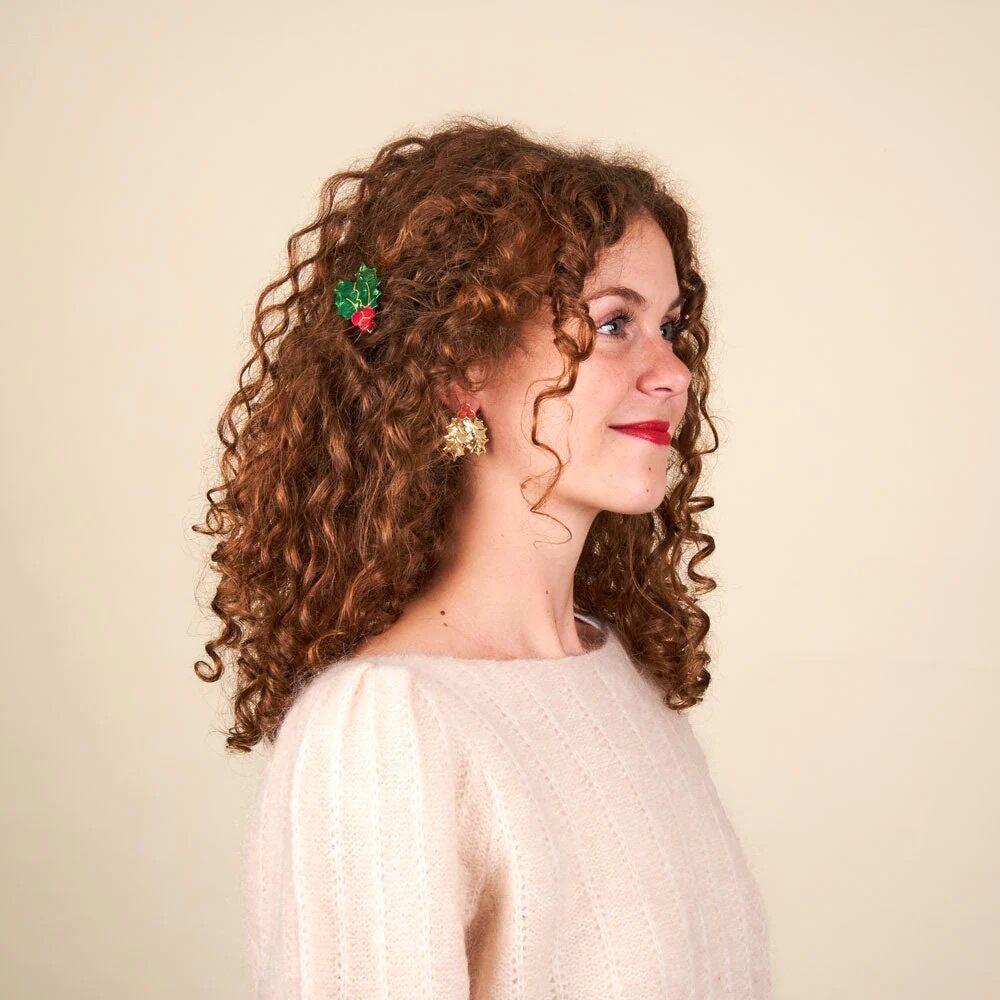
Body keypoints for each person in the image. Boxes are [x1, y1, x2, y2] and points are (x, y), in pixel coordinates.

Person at [193, 115, 773, 998]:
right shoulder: (384, 726)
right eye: (615, 322)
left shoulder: (624, 678)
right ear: (463, 372)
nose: (673, 371)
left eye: (670, 325)